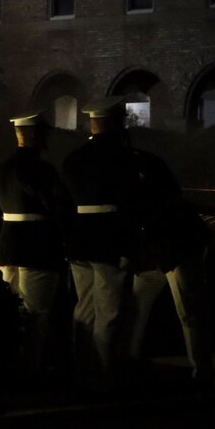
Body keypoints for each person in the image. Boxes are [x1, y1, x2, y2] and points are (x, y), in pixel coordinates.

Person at [61, 95, 140, 386]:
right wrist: (130, 245)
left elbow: (66, 205)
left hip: (79, 240)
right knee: (110, 312)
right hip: (110, 241)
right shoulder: (123, 158)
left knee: (84, 308)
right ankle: (106, 373)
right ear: (115, 121)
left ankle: (83, 368)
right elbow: (130, 206)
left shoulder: (73, 158)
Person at [0, 109, 73, 379]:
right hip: (38, 251)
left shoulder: (2, 170)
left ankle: (12, 366)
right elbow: (58, 208)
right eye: (45, 133)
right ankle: (30, 371)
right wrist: (66, 240)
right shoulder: (42, 170)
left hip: (9, 251)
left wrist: (3, 243)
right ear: (36, 135)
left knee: (14, 312)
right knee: (37, 315)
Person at [125, 146, 214, 388]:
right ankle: (200, 369)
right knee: (183, 310)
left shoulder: (134, 174)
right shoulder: (146, 164)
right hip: (168, 246)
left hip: (176, 246)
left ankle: (201, 371)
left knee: (187, 309)